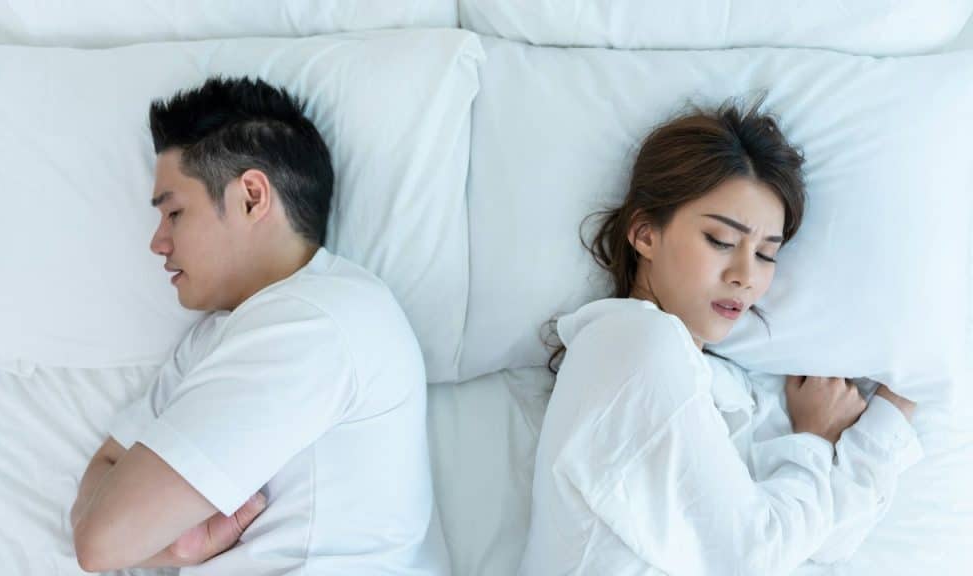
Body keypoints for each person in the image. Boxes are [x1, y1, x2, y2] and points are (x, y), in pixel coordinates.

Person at [520, 99, 922, 576]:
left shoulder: (724, 386)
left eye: (767, 255)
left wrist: (882, 425)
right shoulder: (633, 345)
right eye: (721, 241)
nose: (745, 276)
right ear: (645, 233)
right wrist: (812, 441)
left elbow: (823, 541)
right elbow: (753, 555)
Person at [69, 76, 448, 575]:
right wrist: (177, 549)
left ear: (251, 196)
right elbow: (96, 500)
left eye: (175, 212)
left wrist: (155, 544)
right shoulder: (215, 337)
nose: (157, 243)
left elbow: (102, 540)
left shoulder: (315, 322)